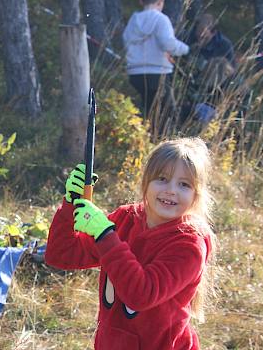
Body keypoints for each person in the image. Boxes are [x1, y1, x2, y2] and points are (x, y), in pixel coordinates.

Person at [44, 137, 217, 349]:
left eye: (184, 184)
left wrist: (105, 235)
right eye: (162, 179)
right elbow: (61, 254)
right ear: (145, 182)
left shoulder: (189, 245)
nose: (171, 190)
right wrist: (72, 202)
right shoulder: (125, 219)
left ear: (196, 195)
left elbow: (141, 295)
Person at [123, 0, 190, 138]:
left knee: (148, 111)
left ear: (141, 1)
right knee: (168, 115)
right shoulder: (161, 20)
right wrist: (186, 49)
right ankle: (161, 144)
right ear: (161, 1)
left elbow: (126, 40)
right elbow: (168, 43)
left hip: (136, 74)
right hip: (158, 73)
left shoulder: (133, 20)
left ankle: (145, 140)